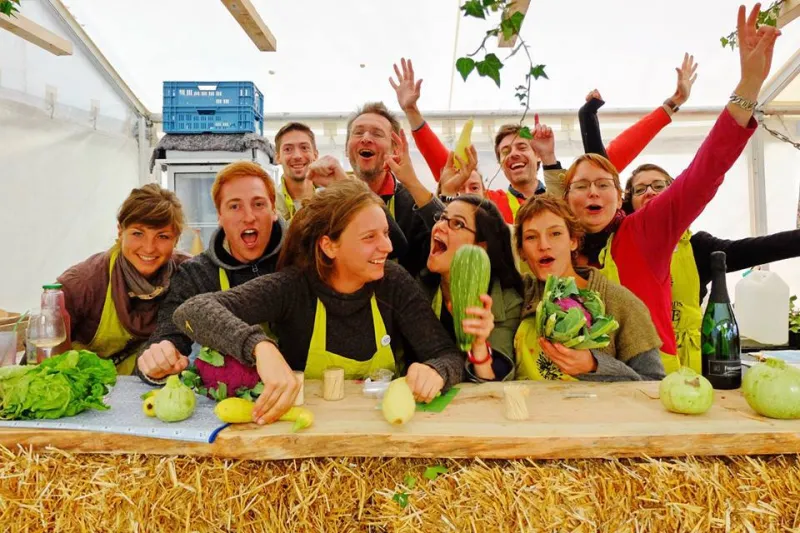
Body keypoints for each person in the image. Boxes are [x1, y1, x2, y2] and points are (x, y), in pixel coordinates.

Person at [542, 6, 781, 373]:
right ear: (566, 197)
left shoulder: (645, 231)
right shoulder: (554, 248)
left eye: (604, 184)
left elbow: (704, 172)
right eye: (582, 185)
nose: (593, 193)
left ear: (618, 197)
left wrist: (748, 85)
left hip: (651, 386)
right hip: (572, 389)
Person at [172, 179, 465, 424]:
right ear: (329, 246)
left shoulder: (393, 282)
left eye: (386, 234)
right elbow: (192, 310)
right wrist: (259, 347)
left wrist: (437, 371)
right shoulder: (293, 286)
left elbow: (446, 354)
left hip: (382, 429)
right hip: (304, 433)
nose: (387, 246)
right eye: (369, 237)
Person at [622, 163, 800, 371]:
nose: (650, 192)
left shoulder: (698, 247)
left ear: (675, 193)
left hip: (690, 361)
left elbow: (753, 249)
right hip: (635, 359)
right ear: (630, 202)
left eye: (658, 186)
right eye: (640, 189)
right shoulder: (617, 247)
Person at [136, 161, 288, 384]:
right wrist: (157, 359)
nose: (248, 217)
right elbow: (169, 335)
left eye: (258, 204)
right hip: (229, 398)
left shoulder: (298, 261)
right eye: (234, 206)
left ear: (274, 210)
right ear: (219, 216)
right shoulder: (195, 274)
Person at [513, 195, 665, 381]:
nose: (543, 245)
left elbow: (654, 383)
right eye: (531, 237)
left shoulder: (623, 303)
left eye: (555, 234)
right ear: (521, 250)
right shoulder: (515, 293)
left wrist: (595, 365)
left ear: (573, 241)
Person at [390, 58, 554, 223]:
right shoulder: (488, 202)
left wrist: (549, 157)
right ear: (501, 164)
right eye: (505, 151)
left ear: (537, 155)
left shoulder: (561, 193)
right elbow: (448, 168)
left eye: (522, 147)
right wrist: (412, 111)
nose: (514, 154)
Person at [58, 184, 188, 375]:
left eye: (162, 236)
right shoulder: (81, 284)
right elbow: (42, 358)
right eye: (138, 233)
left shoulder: (188, 275)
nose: (149, 248)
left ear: (176, 239)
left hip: (153, 386)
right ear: (120, 232)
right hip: (85, 386)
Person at [305, 101, 438, 277]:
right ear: (346, 148)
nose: (366, 138)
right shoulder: (327, 202)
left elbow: (403, 248)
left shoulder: (414, 204)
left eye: (377, 134)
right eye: (358, 132)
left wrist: (350, 187)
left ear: (395, 149)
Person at [420, 188, 524, 382]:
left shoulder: (508, 302)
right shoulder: (417, 289)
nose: (440, 226)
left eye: (457, 224)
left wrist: (479, 345)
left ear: (480, 247)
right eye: (442, 218)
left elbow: (496, 382)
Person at [578, 53, 699, 173]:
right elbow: (603, 168)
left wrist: (675, 101)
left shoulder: (602, 175)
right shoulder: (594, 177)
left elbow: (606, 166)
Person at [274, 122, 318, 221]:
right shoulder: (270, 204)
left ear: (315, 155)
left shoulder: (330, 201)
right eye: (288, 149)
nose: (297, 156)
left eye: (304, 148)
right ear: (277, 157)